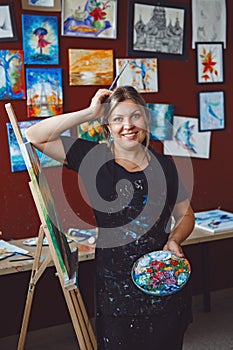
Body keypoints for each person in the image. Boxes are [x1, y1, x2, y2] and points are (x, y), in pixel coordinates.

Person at [26, 86, 195, 349]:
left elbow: (186, 215)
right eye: (117, 118)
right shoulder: (94, 159)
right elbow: (35, 135)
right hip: (116, 292)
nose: (128, 125)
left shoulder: (165, 166)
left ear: (146, 121)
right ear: (107, 126)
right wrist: (90, 112)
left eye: (135, 116)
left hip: (163, 279)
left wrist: (174, 240)